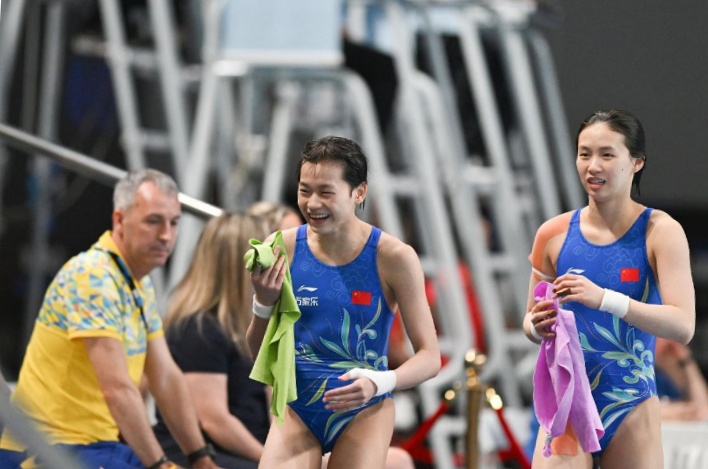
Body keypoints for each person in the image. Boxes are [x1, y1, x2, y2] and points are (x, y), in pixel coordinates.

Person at [0, 169, 222, 469]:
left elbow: (166, 376)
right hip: (47, 449)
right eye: (153, 221)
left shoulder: (135, 281)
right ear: (119, 220)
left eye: (174, 222)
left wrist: (200, 457)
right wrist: (160, 465)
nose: (166, 235)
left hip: (96, 447)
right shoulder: (93, 276)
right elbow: (117, 390)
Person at [247, 136, 441, 469]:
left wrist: (378, 382)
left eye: (326, 192)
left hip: (365, 409)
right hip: (298, 407)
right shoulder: (283, 248)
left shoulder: (393, 257)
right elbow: (257, 354)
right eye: (304, 190)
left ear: (359, 192)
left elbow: (430, 356)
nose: (312, 204)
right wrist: (263, 304)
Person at [523, 109, 695, 469]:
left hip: (631, 402)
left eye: (606, 154)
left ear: (636, 162)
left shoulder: (661, 232)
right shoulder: (552, 234)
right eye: (584, 154)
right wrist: (536, 326)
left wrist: (604, 299)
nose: (593, 166)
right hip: (567, 400)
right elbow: (530, 323)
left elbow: (683, 325)